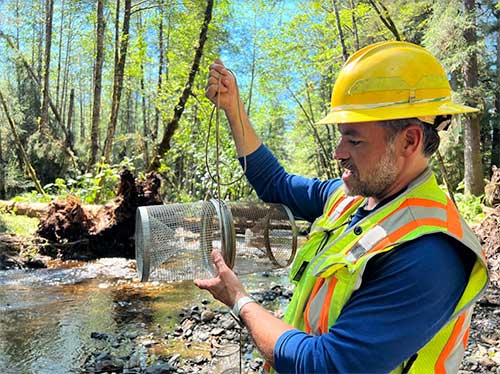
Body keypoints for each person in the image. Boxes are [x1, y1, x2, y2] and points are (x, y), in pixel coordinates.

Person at [194, 41, 489, 373]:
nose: (338, 152)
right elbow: (275, 183)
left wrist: (240, 301)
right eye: (340, 137)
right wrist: (233, 108)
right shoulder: (348, 199)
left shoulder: (430, 253)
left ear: (409, 141)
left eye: (354, 139)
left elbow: (328, 365)